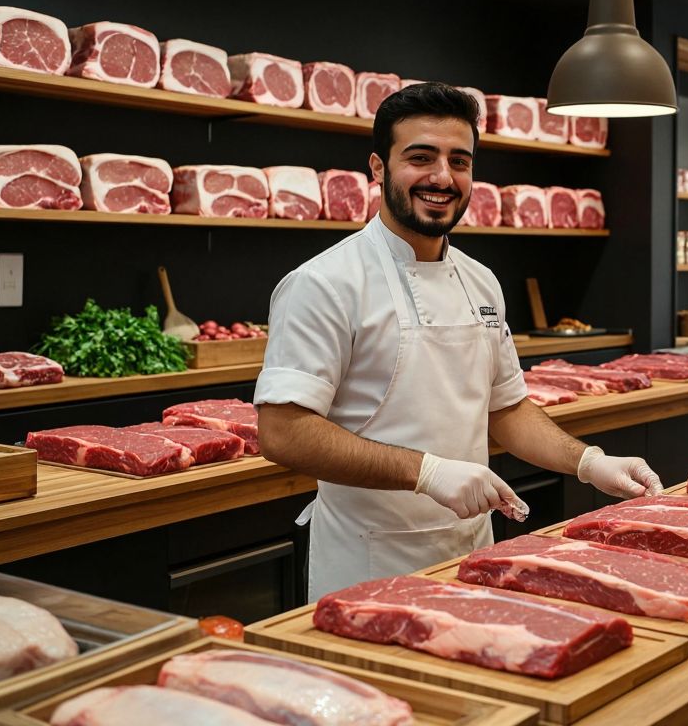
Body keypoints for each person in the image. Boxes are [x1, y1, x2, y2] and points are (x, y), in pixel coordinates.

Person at [255, 83, 662, 600]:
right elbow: (283, 433)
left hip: (472, 549)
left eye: (460, 161)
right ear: (378, 168)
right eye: (420, 158)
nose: (442, 178)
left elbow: (507, 409)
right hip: (369, 559)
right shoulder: (323, 283)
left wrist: (589, 462)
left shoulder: (481, 281)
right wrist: (426, 472)